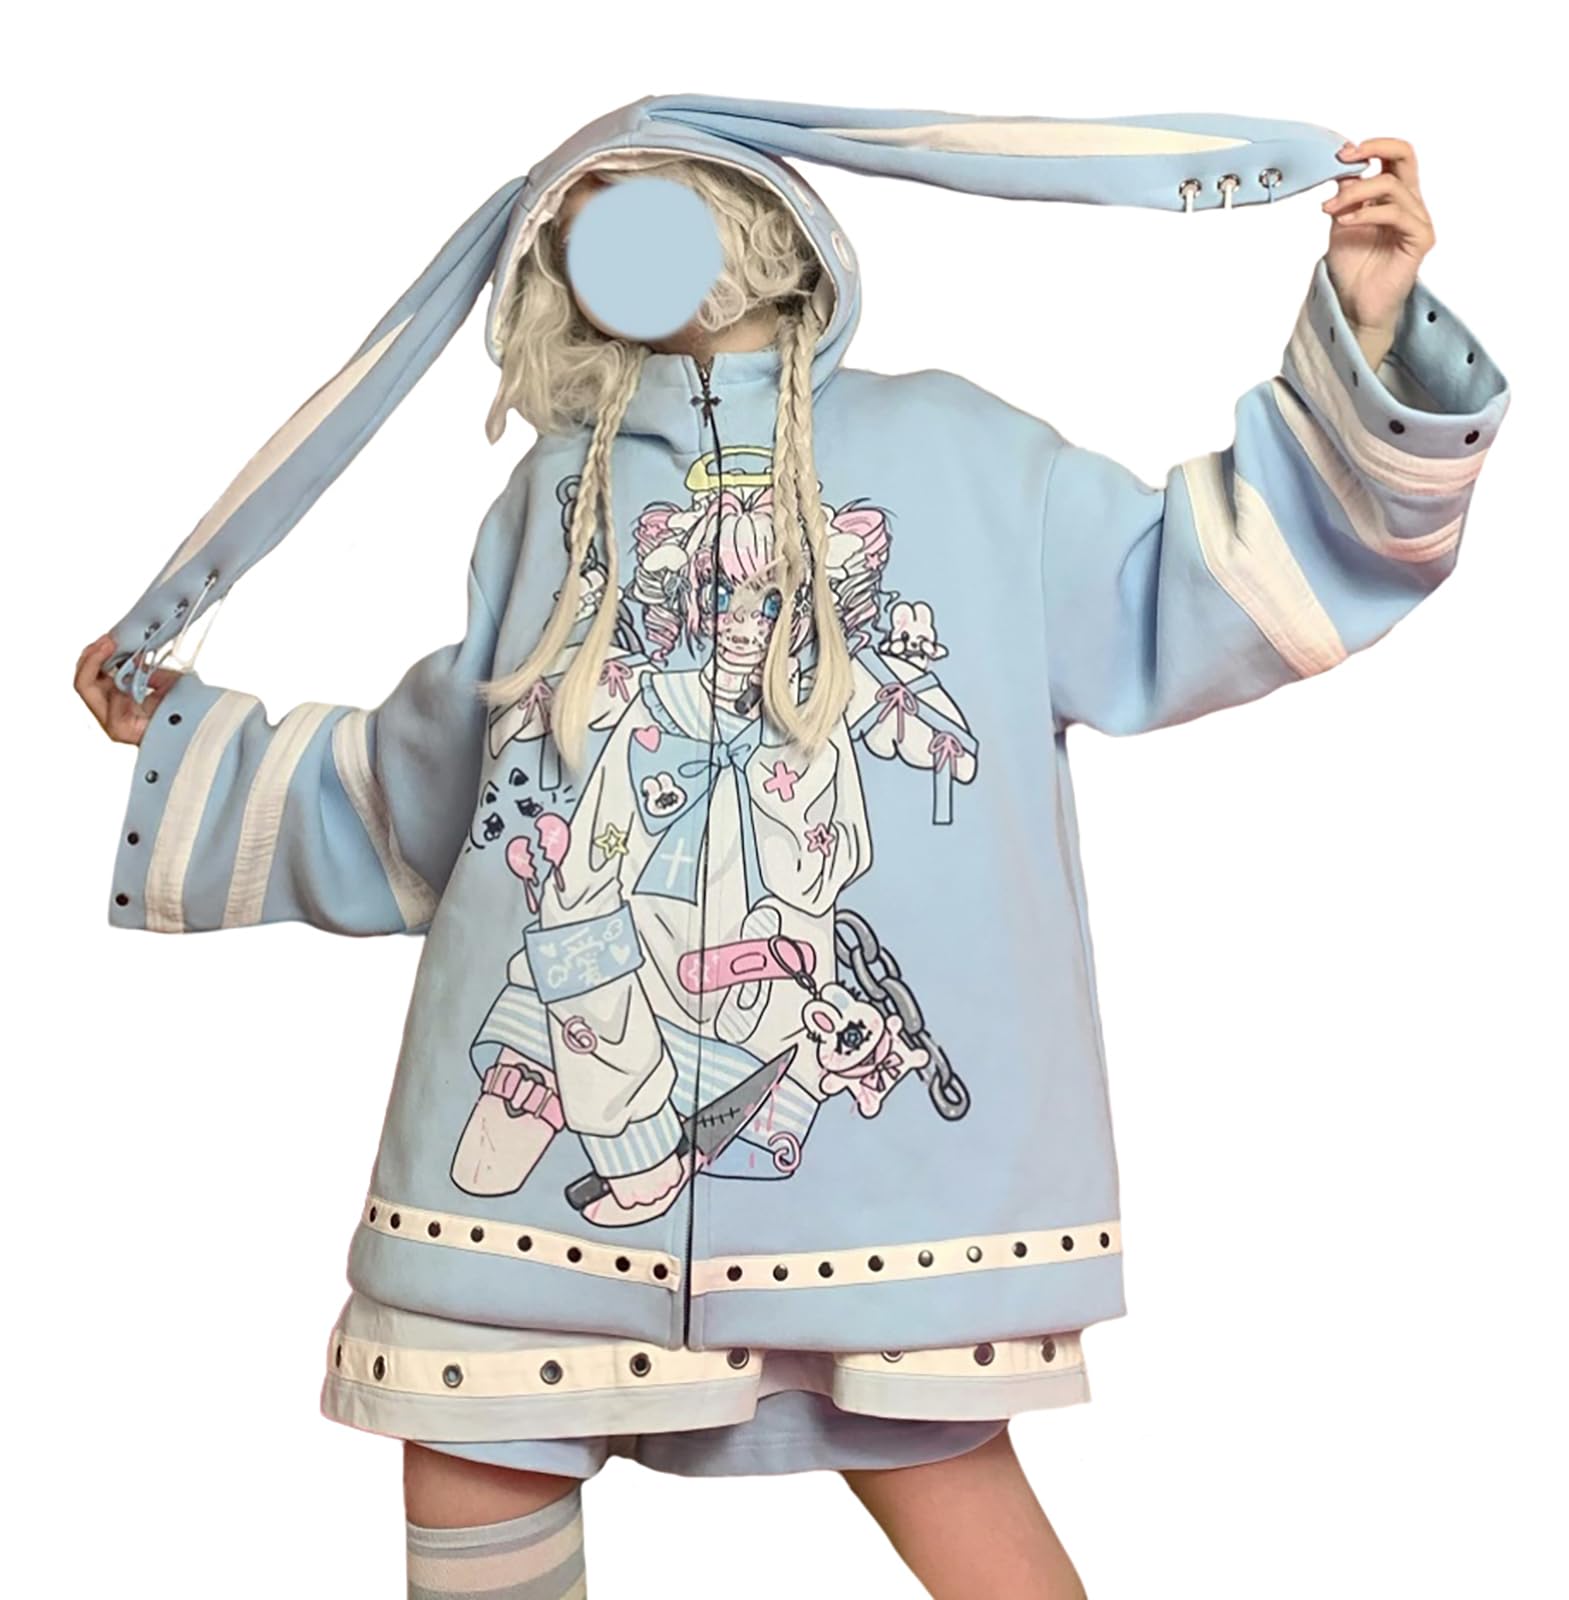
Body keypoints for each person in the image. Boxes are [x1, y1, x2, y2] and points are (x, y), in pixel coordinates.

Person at [78, 96, 1509, 1600]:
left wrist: (1369, 323)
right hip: (553, 1127)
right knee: (471, 1441)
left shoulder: (968, 458)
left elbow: (1200, 585)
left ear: (765, 225)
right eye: (590, 227)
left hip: (867, 1164)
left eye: (656, 207)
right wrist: (198, 735)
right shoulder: (559, 494)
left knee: (934, 1451)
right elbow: (450, 767)